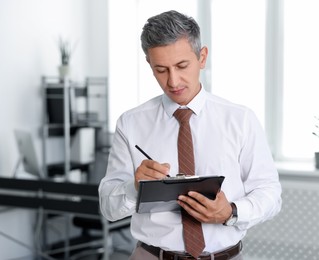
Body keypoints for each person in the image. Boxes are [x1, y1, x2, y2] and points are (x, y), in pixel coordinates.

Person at [99, 10, 282, 260]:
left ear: (202, 57)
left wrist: (230, 212)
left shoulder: (240, 119)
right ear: (149, 65)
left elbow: (270, 193)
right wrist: (133, 188)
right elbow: (108, 207)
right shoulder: (130, 123)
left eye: (181, 66)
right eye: (160, 69)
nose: (173, 81)